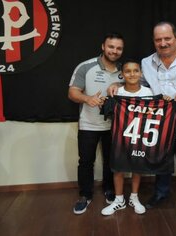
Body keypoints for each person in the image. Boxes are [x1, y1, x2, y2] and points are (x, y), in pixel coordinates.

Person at [108, 21, 176, 219]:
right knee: (160, 160)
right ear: (154, 41)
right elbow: (136, 81)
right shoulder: (147, 62)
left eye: (167, 38)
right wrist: (117, 82)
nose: (163, 43)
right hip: (158, 125)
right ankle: (160, 194)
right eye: (158, 40)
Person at [68, 32, 124, 215]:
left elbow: (139, 84)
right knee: (86, 161)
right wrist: (87, 98)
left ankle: (109, 190)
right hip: (89, 124)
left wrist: (119, 83)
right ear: (103, 46)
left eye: (118, 48)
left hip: (115, 126)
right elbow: (72, 93)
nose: (114, 51)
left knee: (111, 161)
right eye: (111, 47)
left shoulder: (125, 69)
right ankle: (85, 195)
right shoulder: (86, 67)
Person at [101, 59, 153, 216]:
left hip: (139, 136)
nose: (132, 74)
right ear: (122, 74)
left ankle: (134, 197)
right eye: (128, 71)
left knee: (137, 168)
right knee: (118, 168)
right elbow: (109, 114)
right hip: (119, 137)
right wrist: (104, 103)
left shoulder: (147, 93)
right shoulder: (117, 92)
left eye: (136, 70)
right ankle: (119, 200)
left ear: (141, 73)